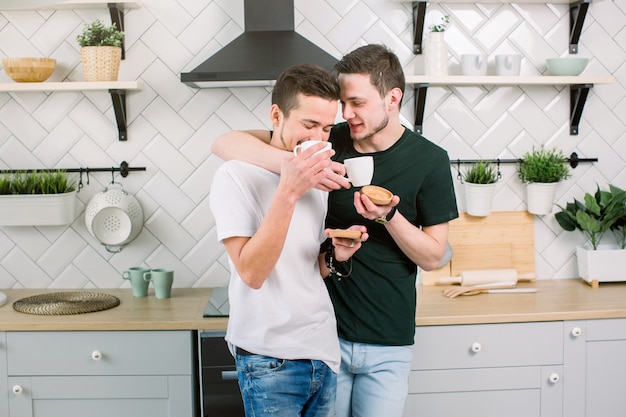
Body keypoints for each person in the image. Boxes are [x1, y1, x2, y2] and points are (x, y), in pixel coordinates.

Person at [212, 44, 459, 417]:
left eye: (356, 102)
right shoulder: (326, 144)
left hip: (386, 335)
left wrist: (388, 218)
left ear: (392, 98)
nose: (347, 115)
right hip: (328, 338)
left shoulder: (429, 160)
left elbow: (434, 257)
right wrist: (293, 168)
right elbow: (224, 143)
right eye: (342, 104)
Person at [209, 63, 368, 417]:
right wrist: (288, 191)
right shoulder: (235, 176)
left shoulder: (316, 177)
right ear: (276, 115)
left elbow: (305, 269)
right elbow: (252, 273)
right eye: (309, 125)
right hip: (270, 359)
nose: (319, 138)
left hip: (322, 352)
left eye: (327, 128)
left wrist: (336, 256)